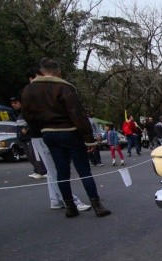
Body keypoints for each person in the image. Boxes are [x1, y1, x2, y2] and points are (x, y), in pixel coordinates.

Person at [21, 57, 110, 218]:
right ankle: (97, 205)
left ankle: (70, 206)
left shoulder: (29, 90)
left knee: (61, 171)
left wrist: (41, 128)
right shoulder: (64, 87)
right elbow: (77, 114)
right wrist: (89, 139)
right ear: (58, 71)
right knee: (84, 170)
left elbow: (28, 115)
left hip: (48, 133)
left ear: (41, 71)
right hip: (70, 131)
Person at [22, 67, 89, 211]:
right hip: (44, 134)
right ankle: (71, 201)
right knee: (56, 170)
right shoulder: (35, 90)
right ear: (37, 75)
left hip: (42, 134)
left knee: (52, 170)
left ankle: (56, 199)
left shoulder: (34, 91)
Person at [11, 96, 47, 179]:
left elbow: (33, 120)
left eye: (16, 103)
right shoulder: (19, 113)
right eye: (12, 103)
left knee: (34, 154)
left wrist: (27, 128)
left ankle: (42, 171)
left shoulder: (26, 111)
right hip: (23, 138)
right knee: (29, 156)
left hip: (30, 137)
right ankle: (37, 170)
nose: (14, 105)